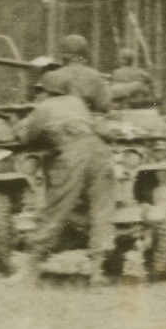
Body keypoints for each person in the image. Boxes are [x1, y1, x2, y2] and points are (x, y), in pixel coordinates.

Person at [15, 71, 116, 281]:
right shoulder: (77, 102)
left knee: (56, 209)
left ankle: (29, 271)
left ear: (47, 91)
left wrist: (21, 126)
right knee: (102, 211)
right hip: (100, 153)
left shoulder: (44, 107)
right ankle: (97, 272)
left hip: (73, 154)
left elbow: (26, 136)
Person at [34, 35, 112, 113]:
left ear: (63, 56)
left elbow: (39, 107)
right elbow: (105, 106)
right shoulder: (95, 76)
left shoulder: (51, 76)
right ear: (83, 55)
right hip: (85, 121)